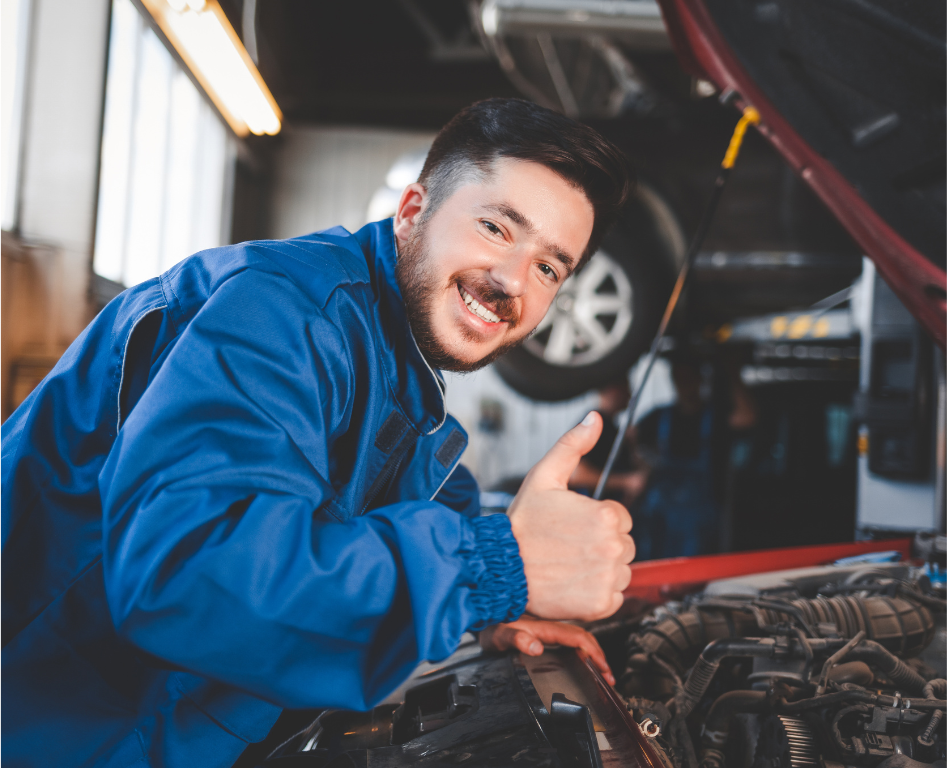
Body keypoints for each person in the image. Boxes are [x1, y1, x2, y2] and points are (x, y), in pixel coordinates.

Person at [0, 99, 636, 767]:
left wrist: (492, 601)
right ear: (412, 209)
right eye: (495, 227)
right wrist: (491, 566)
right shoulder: (279, 312)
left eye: (548, 268)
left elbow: (408, 497)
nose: (512, 281)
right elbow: (188, 574)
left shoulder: (394, 368)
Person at [633, 358, 719, 561]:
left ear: (700, 379)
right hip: (661, 513)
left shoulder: (716, 417)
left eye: (688, 378)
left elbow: (746, 418)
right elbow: (632, 438)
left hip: (698, 516)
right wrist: (642, 464)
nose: (683, 383)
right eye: (678, 378)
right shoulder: (658, 416)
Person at [568, 380, 647, 506]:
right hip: (590, 509)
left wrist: (632, 444)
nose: (630, 393)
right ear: (612, 389)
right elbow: (576, 473)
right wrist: (627, 481)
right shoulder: (595, 425)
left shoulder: (612, 428)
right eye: (626, 386)